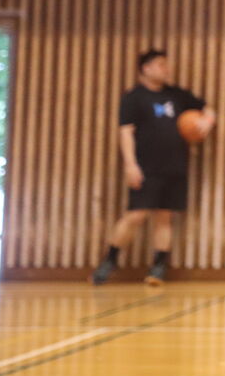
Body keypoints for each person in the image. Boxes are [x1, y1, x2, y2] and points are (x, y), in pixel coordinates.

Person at [91, 50, 214, 285]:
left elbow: (207, 108)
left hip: (175, 165)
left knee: (164, 217)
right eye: (160, 65)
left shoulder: (177, 95)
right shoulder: (133, 98)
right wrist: (130, 165)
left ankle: (158, 268)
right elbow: (126, 132)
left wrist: (206, 121)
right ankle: (110, 260)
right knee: (135, 215)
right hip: (146, 166)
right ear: (145, 68)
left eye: (166, 65)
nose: (166, 69)